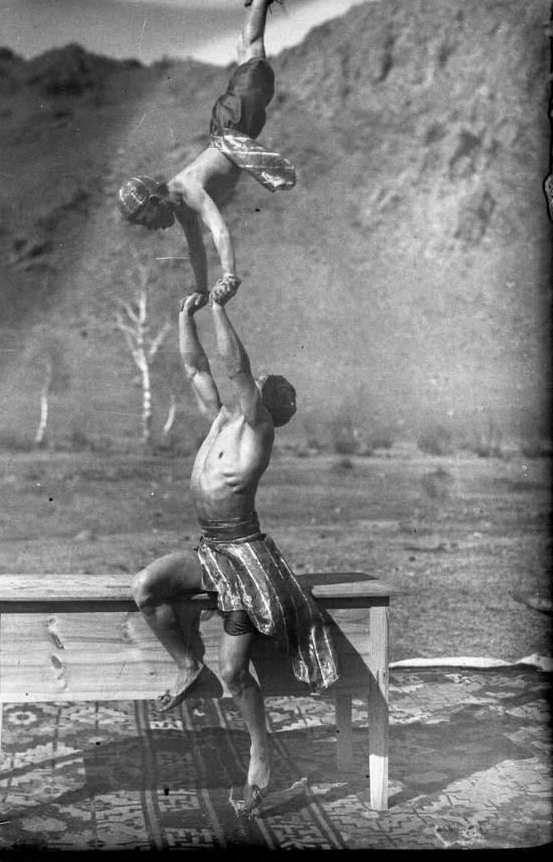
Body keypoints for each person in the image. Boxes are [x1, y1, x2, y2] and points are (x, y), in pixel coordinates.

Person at [131, 283, 340, 813]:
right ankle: (187, 664)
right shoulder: (223, 419)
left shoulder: (258, 428)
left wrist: (221, 309)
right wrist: (187, 314)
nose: (250, 381)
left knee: (233, 674)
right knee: (147, 587)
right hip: (211, 551)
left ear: (264, 401)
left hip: (246, 564)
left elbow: (235, 367)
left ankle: (260, 752)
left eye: (257, 384)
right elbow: (196, 368)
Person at [118, 0, 296, 303]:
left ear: (153, 201)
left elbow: (218, 228)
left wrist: (229, 275)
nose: (152, 227)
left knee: (253, 53)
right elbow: (196, 250)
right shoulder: (182, 208)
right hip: (232, 127)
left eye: (146, 219)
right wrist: (200, 290)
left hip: (233, 125)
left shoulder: (187, 189)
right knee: (248, 58)